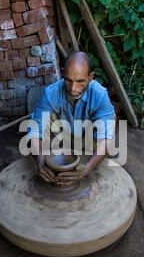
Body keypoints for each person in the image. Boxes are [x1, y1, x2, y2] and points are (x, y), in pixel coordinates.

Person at [27, 51, 116, 186]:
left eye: (80, 81)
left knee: (109, 123)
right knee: (40, 120)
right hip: (61, 138)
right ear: (63, 74)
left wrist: (88, 168)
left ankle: (81, 157)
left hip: (87, 140)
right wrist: (39, 161)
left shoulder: (100, 95)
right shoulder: (51, 93)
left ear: (90, 77)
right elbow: (35, 130)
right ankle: (58, 155)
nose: (73, 88)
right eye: (68, 80)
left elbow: (105, 139)